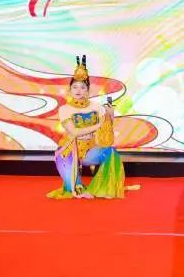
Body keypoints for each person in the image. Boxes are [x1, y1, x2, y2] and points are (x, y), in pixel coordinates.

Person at [47, 56, 130, 199]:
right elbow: (74, 131)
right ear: (70, 90)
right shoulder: (65, 109)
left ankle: (105, 187)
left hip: (90, 150)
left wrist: (110, 115)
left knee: (110, 152)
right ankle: (78, 187)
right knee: (69, 180)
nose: (78, 90)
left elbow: (105, 129)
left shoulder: (96, 106)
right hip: (70, 151)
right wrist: (97, 125)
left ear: (88, 90)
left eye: (82, 87)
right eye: (75, 87)